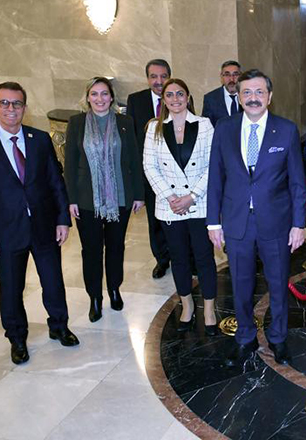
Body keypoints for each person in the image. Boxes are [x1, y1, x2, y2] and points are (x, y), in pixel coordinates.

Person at [0, 82, 80, 364]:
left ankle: (59, 326)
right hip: (6, 231)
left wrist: (62, 219)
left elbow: (55, 181)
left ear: (24, 108)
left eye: (16, 103)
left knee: (53, 281)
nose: (11, 109)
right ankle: (17, 338)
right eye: (4, 103)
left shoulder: (39, 139)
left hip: (44, 226)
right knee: (11, 288)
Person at [207, 69, 306, 366]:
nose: (253, 98)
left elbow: (297, 182)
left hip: (276, 222)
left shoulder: (286, 130)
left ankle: (278, 338)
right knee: (240, 284)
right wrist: (213, 222)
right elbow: (215, 178)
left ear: (269, 97)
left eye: (259, 92)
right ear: (239, 97)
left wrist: (298, 224)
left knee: (278, 283)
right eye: (247, 92)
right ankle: (245, 338)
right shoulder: (224, 128)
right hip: (237, 222)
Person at [64, 77, 145, 322]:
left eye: (104, 94)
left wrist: (139, 194)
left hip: (119, 198)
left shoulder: (124, 122)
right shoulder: (77, 123)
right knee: (91, 250)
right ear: (87, 98)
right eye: (94, 94)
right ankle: (95, 298)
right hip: (87, 200)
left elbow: (134, 159)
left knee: (116, 247)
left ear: (111, 98)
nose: (100, 99)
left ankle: (114, 289)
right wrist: (71, 199)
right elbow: (70, 163)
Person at [144, 78, 219, 335]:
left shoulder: (205, 125)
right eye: (170, 95)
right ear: (164, 100)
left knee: (204, 257)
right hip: (170, 206)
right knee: (178, 258)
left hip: (199, 202)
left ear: (188, 97)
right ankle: (186, 306)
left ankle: (209, 309)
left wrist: (192, 196)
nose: (175, 99)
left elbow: (213, 164)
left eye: (180, 94)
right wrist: (170, 197)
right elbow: (149, 166)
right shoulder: (154, 127)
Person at [126, 59, 172, 279]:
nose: (159, 81)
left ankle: (184, 257)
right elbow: (132, 139)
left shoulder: (178, 95)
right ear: (147, 79)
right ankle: (162, 260)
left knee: (179, 218)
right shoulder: (136, 100)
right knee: (155, 220)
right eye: (154, 76)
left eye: (163, 76)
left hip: (175, 172)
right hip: (149, 173)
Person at [201, 60, 242, 127]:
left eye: (235, 74)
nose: (231, 79)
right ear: (221, 77)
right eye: (227, 75)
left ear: (241, 76)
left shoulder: (248, 96)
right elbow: (206, 127)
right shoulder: (210, 99)